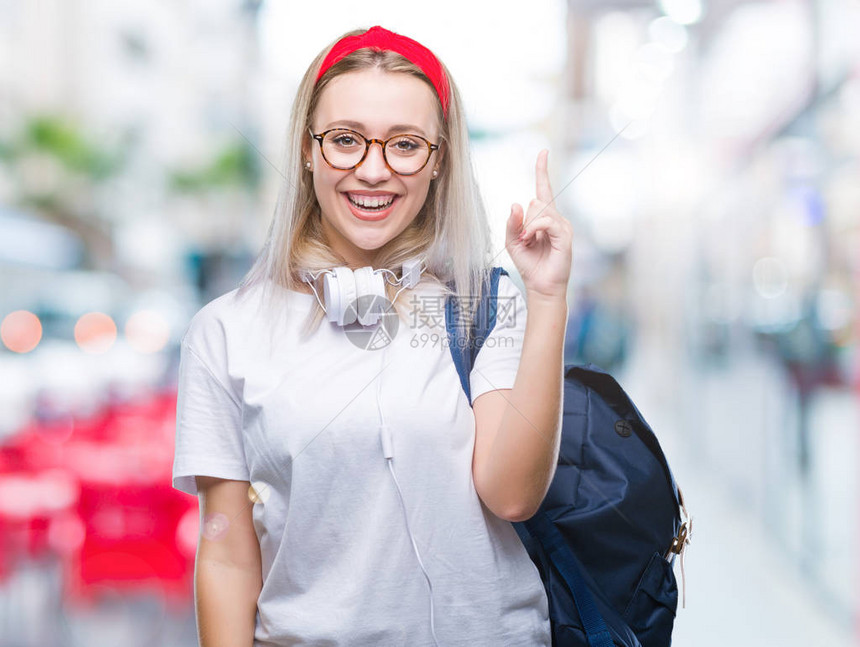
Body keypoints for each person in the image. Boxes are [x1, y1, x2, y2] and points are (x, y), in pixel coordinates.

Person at [172, 24, 573, 647]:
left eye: (405, 145)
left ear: (439, 161)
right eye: (345, 140)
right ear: (306, 150)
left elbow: (513, 495)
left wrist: (546, 296)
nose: (372, 170)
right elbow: (225, 549)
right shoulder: (225, 332)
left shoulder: (484, 305)